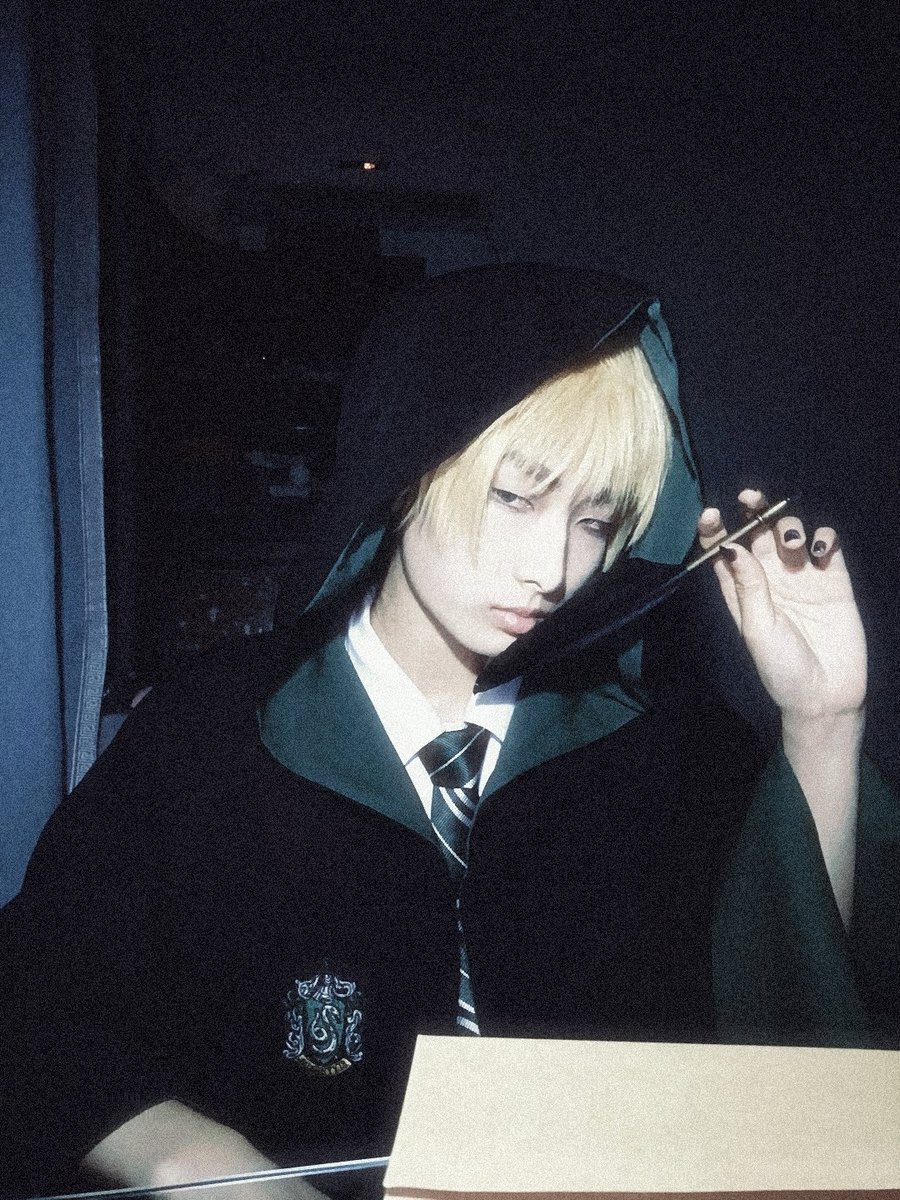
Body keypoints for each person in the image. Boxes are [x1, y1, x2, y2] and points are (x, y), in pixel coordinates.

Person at [0, 264, 896, 1199]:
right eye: (515, 496)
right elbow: (35, 1014)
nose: (552, 568)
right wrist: (191, 1159)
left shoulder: (656, 743)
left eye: (595, 521)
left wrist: (823, 723)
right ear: (407, 466)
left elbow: (792, 1024)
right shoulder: (214, 735)